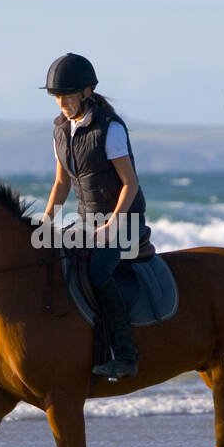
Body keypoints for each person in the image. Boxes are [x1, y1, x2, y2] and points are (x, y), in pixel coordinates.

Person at [40, 53, 154, 379]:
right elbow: (62, 181)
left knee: (98, 273)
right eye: (57, 96)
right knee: (49, 256)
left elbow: (130, 184)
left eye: (67, 94)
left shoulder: (110, 129)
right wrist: (47, 219)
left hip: (125, 219)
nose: (61, 101)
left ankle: (126, 355)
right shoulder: (61, 130)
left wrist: (112, 224)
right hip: (87, 218)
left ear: (86, 92)